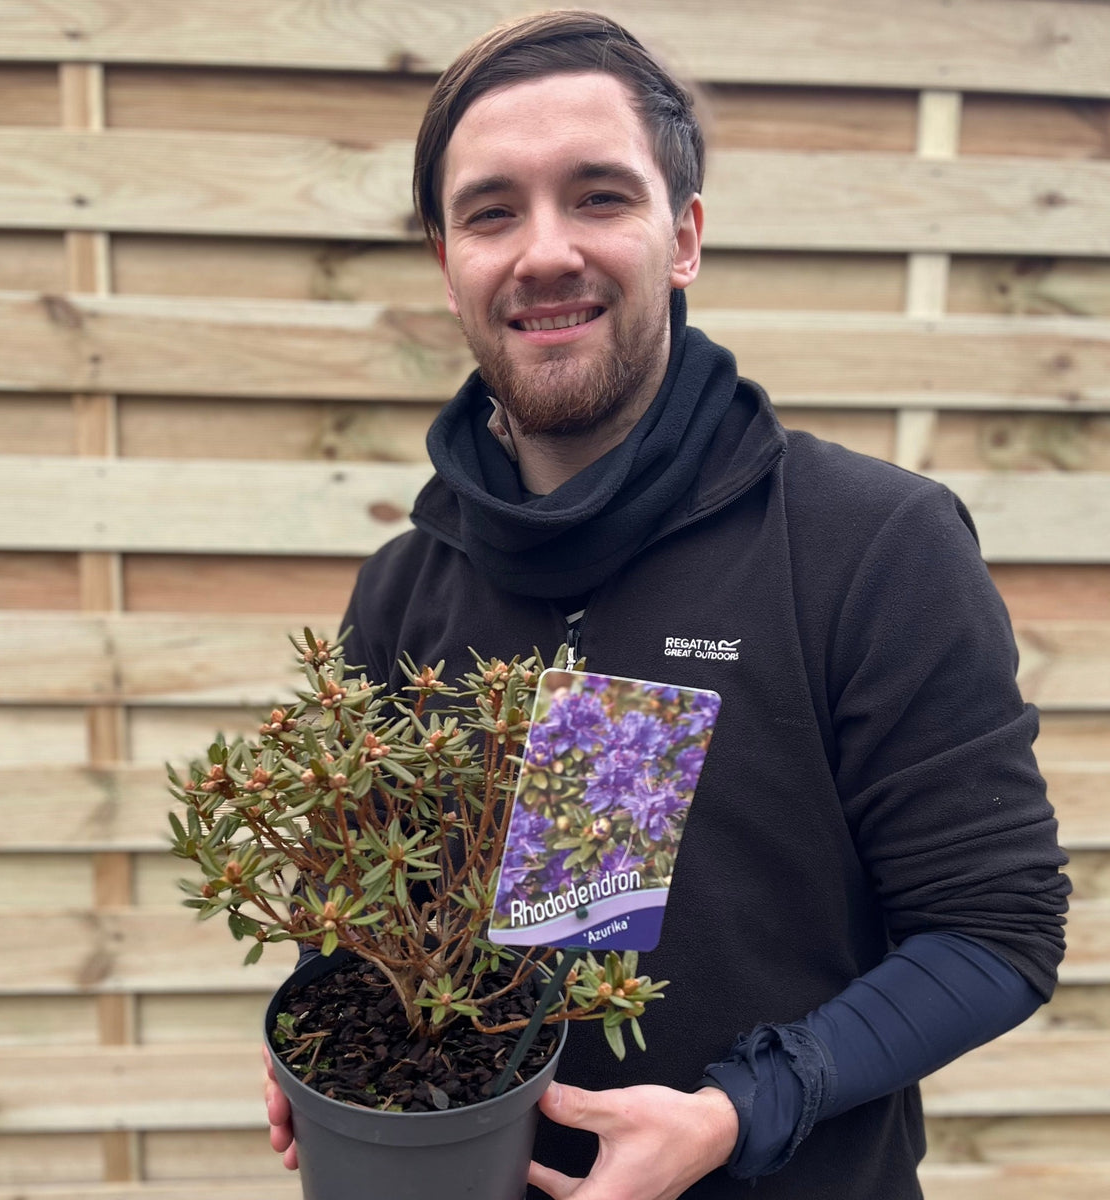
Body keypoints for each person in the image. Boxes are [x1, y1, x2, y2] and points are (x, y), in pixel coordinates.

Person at [265, 11, 1070, 1198]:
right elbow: (355, 911)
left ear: (682, 235)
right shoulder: (405, 586)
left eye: (598, 197)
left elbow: (997, 931)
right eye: (492, 211)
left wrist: (737, 1113)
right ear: (448, 264)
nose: (545, 252)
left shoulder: (870, 546)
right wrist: (323, 1050)